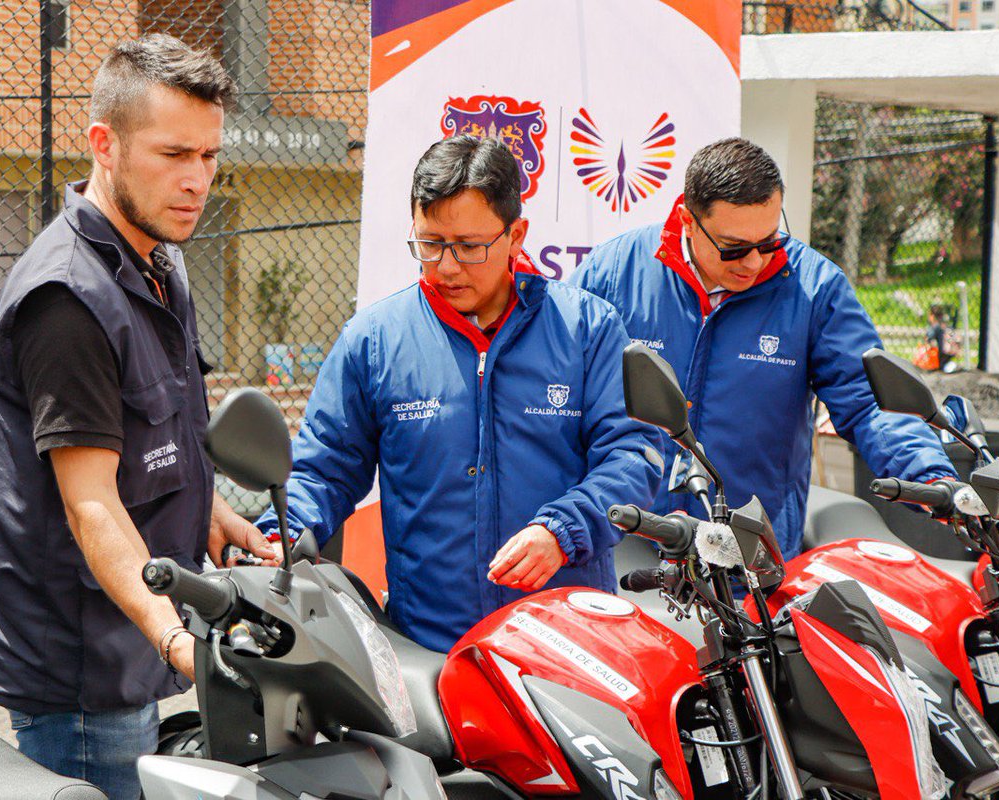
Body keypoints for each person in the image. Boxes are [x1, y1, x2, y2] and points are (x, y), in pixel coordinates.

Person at [0, 35, 275, 800]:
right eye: (173, 155)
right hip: (80, 668)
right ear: (105, 144)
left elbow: (155, 434)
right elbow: (90, 499)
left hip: (131, 625)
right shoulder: (67, 299)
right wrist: (174, 638)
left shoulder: (160, 257)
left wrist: (214, 512)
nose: (197, 180)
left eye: (209, 156)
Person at [255, 134, 663, 652]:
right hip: (431, 648)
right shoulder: (374, 341)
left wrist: (562, 532)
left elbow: (634, 456)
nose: (446, 266)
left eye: (469, 246)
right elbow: (324, 468)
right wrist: (279, 534)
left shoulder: (587, 328)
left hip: (566, 640)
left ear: (517, 235)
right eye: (429, 243)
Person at [573, 137, 955, 559]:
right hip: (628, 537)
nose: (754, 262)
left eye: (770, 241)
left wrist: (927, 470)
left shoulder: (814, 288)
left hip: (750, 545)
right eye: (733, 248)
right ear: (687, 218)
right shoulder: (612, 273)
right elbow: (561, 396)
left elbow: (868, 399)